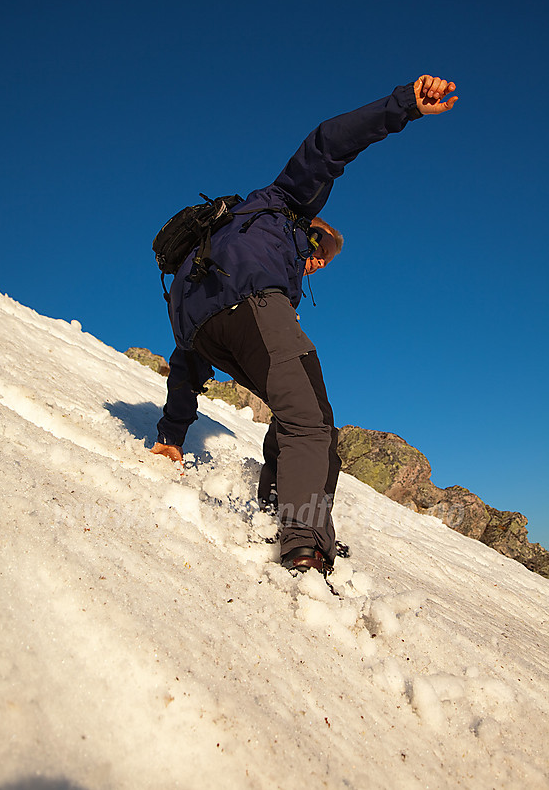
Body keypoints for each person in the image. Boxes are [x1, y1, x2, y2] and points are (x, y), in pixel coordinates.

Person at [152, 74, 458, 575]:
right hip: (250, 305)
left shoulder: (216, 252)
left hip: (199, 327)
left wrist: (171, 432)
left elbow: (188, 363)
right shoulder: (283, 204)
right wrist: (405, 105)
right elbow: (327, 144)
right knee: (314, 422)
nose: (317, 262)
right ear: (310, 230)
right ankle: (304, 543)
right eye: (320, 249)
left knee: (291, 411)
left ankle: (279, 514)